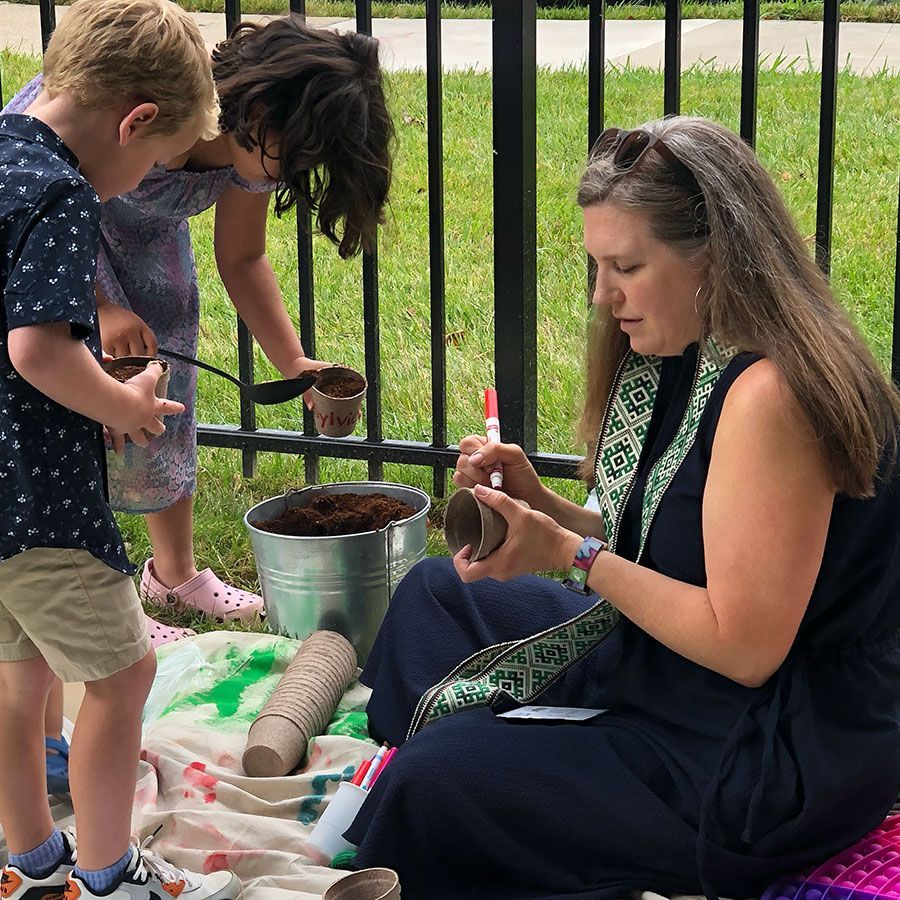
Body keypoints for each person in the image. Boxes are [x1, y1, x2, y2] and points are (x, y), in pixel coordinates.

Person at [344, 117, 900, 898]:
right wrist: (543, 506)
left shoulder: (770, 398)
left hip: (766, 742)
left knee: (442, 779)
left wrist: (573, 558)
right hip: (678, 669)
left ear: (716, 256)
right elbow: (681, 539)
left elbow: (744, 647)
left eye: (627, 267)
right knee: (434, 599)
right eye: (597, 266)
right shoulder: (688, 351)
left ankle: (465, 784)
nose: (605, 296)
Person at [4, 13, 395, 796]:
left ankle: (169, 574)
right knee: (73, 433)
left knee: (157, 407)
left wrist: (293, 362)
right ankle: (86, 589)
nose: (287, 176)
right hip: (65, 257)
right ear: (254, 114)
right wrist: (103, 306)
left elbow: (241, 255)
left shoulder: (245, 155)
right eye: (294, 156)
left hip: (145, 255)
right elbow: (38, 266)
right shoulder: (91, 129)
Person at [0, 1, 242, 897]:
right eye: (154, 161)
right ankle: (108, 874)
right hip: (40, 496)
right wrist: (124, 405)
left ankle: (26, 859)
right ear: (134, 119)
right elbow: (38, 349)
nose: (146, 176)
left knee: (17, 676)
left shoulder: (0, 147)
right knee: (123, 672)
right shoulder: (63, 190)